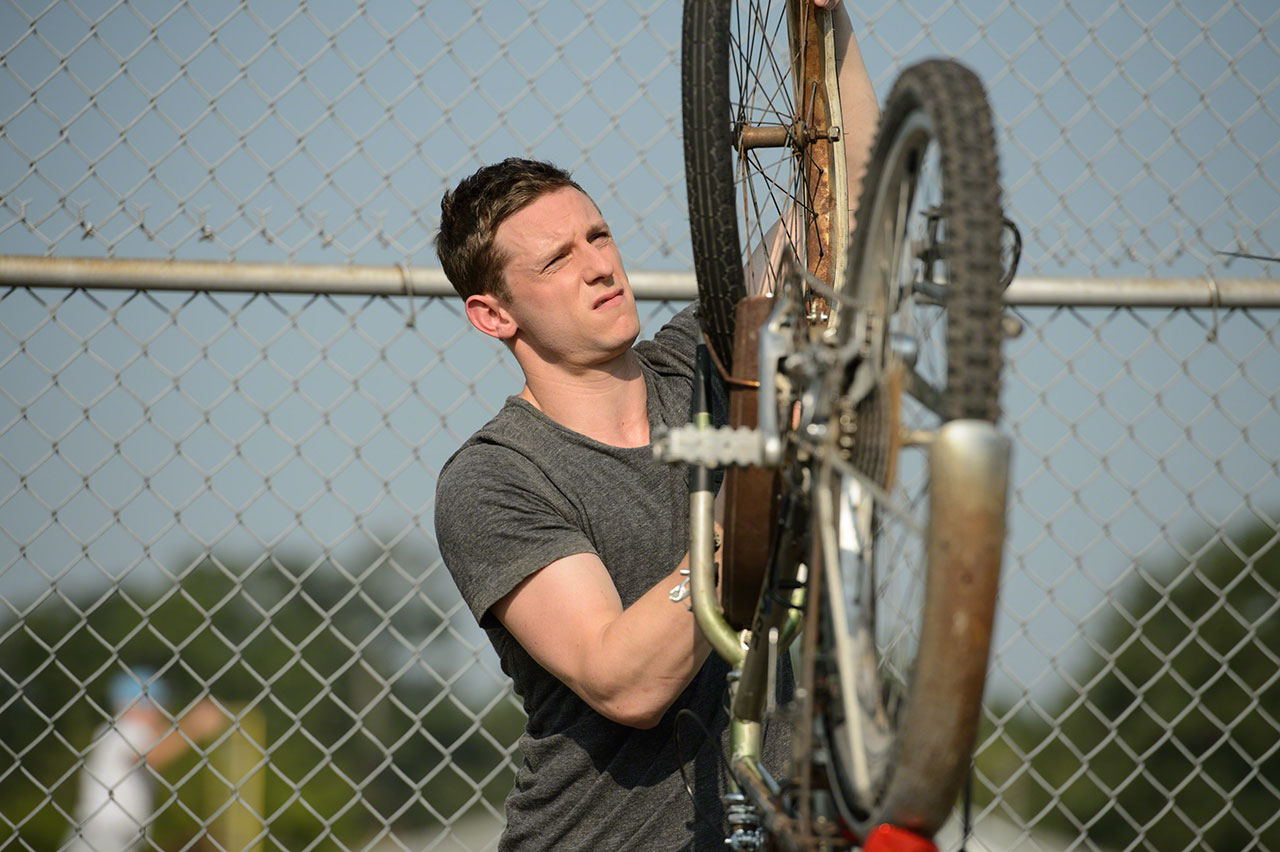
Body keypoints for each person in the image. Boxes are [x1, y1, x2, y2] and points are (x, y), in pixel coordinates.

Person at [433, 7, 877, 851]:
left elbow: (849, 199)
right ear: (493, 315)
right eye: (558, 259)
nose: (600, 264)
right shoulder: (495, 479)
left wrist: (827, 27)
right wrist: (754, 499)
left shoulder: (710, 361)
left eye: (598, 235)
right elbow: (625, 681)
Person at [66, 670, 227, 852]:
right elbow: (150, 755)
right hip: (107, 835)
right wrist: (194, 725)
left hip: (107, 835)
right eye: (157, 706)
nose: (162, 713)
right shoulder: (127, 728)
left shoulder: (114, 732)